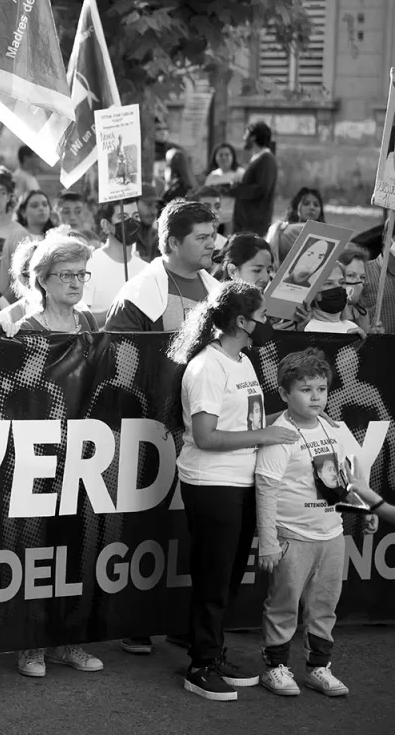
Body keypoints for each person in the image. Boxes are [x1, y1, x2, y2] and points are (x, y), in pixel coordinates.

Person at [167, 281, 298, 701]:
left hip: (239, 482)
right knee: (214, 577)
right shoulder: (208, 367)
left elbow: (246, 421)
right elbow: (205, 436)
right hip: (212, 482)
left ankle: (211, 650)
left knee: (225, 577)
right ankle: (200, 664)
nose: (269, 324)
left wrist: (295, 414)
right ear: (241, 321)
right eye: (262, 317)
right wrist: (265, 435)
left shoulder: (240, 359)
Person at [255, 348, 357, 698]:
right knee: (284, 603)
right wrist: (268, 541)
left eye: (322, 389)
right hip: (292, 535)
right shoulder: (280, 434)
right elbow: (265, 489)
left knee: (325, 605)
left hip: (332, 534)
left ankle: (318, 668)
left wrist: (364, 511)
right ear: (284, 393)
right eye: (306, 389)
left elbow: (350, 476)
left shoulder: (334, 427)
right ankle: (275, 667)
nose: (316, 397)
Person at [104, 200, 220, 332]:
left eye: (212, 236)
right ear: (174, 243)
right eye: (202, 238)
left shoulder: (217, 291)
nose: (212, 245)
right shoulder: (137, 297)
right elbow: (120, 351)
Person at [200, 121, 277, 236]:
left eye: (246, 134)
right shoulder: (258, 158)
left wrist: (236, 190)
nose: (243, 138)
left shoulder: (266, 159)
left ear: (253, 137)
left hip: (255, 222)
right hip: (246, 221)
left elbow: (262, 189)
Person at [84, 201, 148, 326]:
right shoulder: (90, 265)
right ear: (106, 225)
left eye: (136, 216)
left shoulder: (146, 270)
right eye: (123, 217)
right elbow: (78, 319)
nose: (131, 222)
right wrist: (117, 312)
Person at [18, 234, 99, 333]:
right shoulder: (27, 328)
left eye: (81, 274)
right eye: (66, 275)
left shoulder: (88, 319)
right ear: (43, 281)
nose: (76, 284)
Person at [0, 189, 54, 293]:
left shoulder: (55, 236)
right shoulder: (17, 236)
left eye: (45, 204)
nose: (41, 208)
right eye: (35, 206)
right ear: (23, 212)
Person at [266, 188, 325, 263]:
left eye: (316, 205)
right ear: (296, 207)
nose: (312, 207)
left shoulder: (327, 236)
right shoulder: (285, 232)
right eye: (306, 203)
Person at [300, 263, 360, 334]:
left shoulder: (353, 328)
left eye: (341, 282)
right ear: (313, 293)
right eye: (329, 283)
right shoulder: (305, 329)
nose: (338, 287)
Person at [135, 188, 162, 261]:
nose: (153, 211)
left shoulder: (160, 238)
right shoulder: (126, 239)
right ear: (135, 204)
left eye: (156, 206)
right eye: (149, 205)